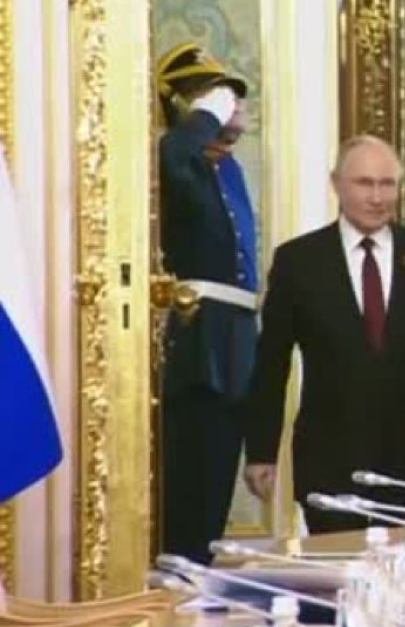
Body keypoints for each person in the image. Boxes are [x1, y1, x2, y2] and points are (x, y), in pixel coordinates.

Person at [242, 135, 405, 533]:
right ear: (337, 184)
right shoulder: (299, 261)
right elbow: (271, 361)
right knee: (337, 564)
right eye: (365, 183)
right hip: (330, 454)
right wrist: (261, 450)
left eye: (388, 184)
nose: (377, 197)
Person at [156, 42, 258, 564]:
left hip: (236, 336)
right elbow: (173, 155)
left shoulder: (227, 168)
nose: (228, 103)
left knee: (218, 473)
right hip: (195, 341)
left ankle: (201, 572)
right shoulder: (178, 161)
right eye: (212, 95)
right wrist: (202, 117)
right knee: (188, 480)